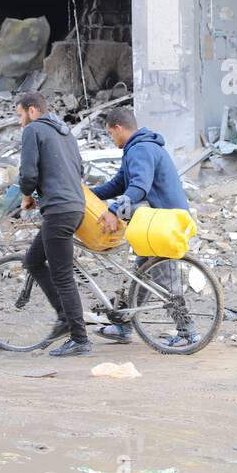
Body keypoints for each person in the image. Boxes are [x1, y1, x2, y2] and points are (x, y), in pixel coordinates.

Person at [91, 107, 195, 346]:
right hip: (155, 222)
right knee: (141, 276)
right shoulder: (137, 149)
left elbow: (139, 187)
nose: (111, 139)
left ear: (118, 128)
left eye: (110, 134)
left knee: (166, 279)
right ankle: (123, 325)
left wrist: (114, 210)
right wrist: (88, 194)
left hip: (163, 223)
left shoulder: (141, 150)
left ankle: (188, 332)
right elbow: (119, 183)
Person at [15, 91, 92, 358]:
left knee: (62, 275)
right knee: (33, 260)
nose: (20, 122)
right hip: (77, 207)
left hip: (58, 210)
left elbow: (28, 173)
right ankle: (63, 318)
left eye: (20, 114)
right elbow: (79, 169)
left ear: (32, 110)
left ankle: (80, 338)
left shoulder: (33, 130)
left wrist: (27, 196)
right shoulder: (65, 132)